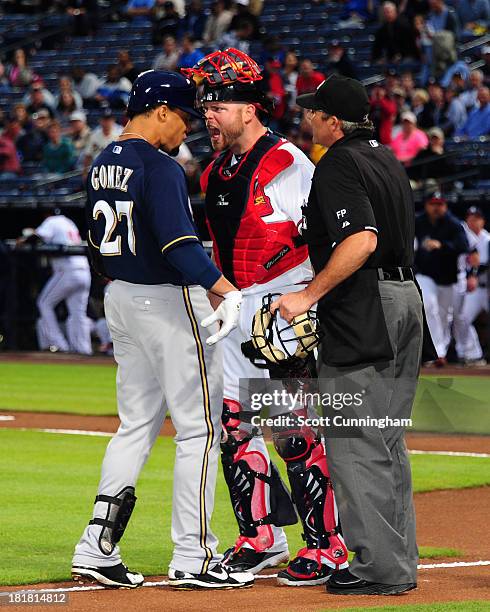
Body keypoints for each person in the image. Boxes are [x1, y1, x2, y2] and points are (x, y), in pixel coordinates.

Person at [71, 70, 253, 591]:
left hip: (121, 297)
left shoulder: (103, 160)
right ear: (162, 112)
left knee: (134, 426)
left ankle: (96, 546)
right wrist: (225, 289)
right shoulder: (161, 165)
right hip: (167, 301)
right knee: (199, 428)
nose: (188, 129)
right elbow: (178, 245)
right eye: (186, 117)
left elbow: (96, 245)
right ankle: (194, 555)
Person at [184, 48, 348, 586]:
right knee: (235, 427)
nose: (207, 114)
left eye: (219, 104)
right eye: (205, 105)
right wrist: (221, 287)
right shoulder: (213, 172)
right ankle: (260, 536)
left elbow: (318, 238)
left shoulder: (287, 162)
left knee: (293, 431)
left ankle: (327, 547)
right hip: (237, 308)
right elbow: (223, 243)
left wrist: (306, 301)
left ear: (251, 107)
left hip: (281, 306)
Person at [272, 74, 429, 595]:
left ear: (333, 122)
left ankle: (378, 570)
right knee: (385, 437)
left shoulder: (337, 162)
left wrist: (305, 296)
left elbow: (361, 240)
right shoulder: (384, 157)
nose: (308, 115)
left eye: (315, 110)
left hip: (365, 309)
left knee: (354, 443)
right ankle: (398, 565)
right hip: (405, 301)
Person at [17, 210, 93, 354]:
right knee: (78, 313)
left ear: (47, 214)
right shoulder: (69, 222)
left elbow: (35, 236)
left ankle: (59, 344)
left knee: (44, 303)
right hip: (84, 269)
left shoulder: (52, 221)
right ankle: (83, 349)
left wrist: (23, 239)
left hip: (67, 269)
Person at [414, 193, 469, 365]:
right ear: (426, 205)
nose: (436, 207)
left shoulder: (453, 224)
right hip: (424, 273)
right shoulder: (418, 222)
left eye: (440, 204)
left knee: (445, 316)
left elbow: (463, 246)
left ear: (445, 206)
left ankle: (440, 350)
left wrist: (442, 245)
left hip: (447, 278)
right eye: (432, 204)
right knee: (430, 307)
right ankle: (436, 353)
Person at [459, 206, 489, 365]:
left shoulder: (488, 238)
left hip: (487, 286)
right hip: (474, 289)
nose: (473, 220)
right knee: (463, 318)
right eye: (470, 217)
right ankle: (473, 354)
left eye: (477, 218)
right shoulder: (463, 235)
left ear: (483, 221)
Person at [82, 107, 123, 178]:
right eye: (104, 119)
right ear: (100, 120)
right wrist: (85, 173)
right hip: (98, 171)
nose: (107, 122)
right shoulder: (94, 135)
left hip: (116, 171)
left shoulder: (121, 134)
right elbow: (88, 156)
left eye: (109, 120)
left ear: (113, 120)